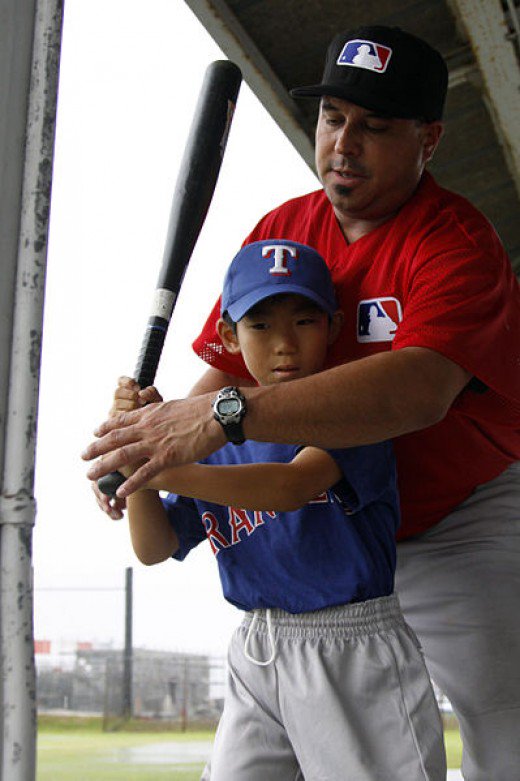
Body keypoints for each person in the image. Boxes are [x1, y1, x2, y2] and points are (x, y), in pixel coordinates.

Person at [83, 25, 520, 781]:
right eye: (333, 118)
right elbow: (221, 381)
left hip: (454, 515)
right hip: (329, 541)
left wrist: (210, 427)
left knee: (503, 711)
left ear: (430, 139)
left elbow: (417, 390)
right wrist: (147, 445)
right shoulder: (282, 231)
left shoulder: (455, 243)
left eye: (376, 126)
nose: (344, 143)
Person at [107, 239, 446, 780]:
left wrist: (150, 462)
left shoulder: (348, 412)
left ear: (333, 327)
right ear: (228, 335)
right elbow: (155, 547)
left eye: (304, 321)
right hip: (256, 648)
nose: (284, 343)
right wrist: (139, 473)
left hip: (352, 648)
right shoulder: (207, 442)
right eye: (260, 325)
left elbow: (290, 486)